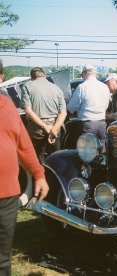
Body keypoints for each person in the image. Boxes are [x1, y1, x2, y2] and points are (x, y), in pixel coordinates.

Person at [0, 60, 49, 275]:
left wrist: (38, 173)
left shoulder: (7, 105)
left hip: (7, 196)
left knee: (2, 258)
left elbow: (23, 144)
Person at [20, 67, 67, 163]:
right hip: (55, 129)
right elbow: (63, 112)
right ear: (44, 76)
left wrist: (44, 126)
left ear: (32, 77)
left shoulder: (27, 86)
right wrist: (53, 129)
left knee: (37, 163)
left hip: (36, 130)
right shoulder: (56, 88)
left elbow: (28, 110)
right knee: (55, 161)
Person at [67, 64, 110, 151]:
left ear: (85, 73)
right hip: (102, 124)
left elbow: (72, 107)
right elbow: (106, 105)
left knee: (86, 153)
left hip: (87, 124)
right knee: (102, 153)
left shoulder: (82, 87)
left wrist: (68, 103)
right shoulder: (104, 87)